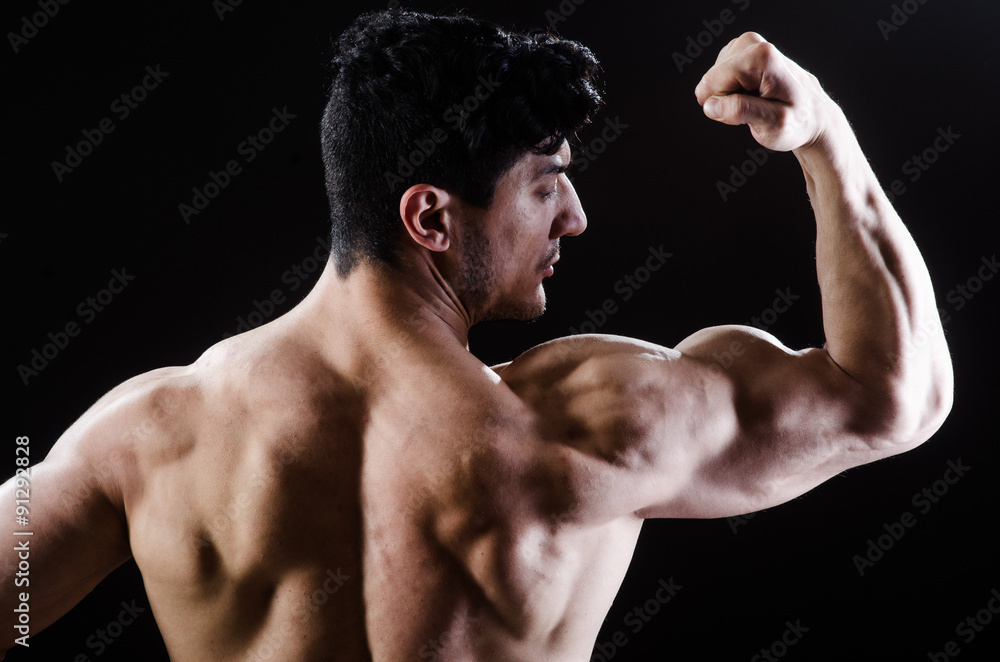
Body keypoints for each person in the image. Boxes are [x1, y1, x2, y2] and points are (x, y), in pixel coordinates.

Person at [1, 9, 953, 661]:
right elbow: (894, 398)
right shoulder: (584, 425)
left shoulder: (153, 431)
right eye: (545, 185)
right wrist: (826, 135)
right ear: (429, 217)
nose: (574, 218)